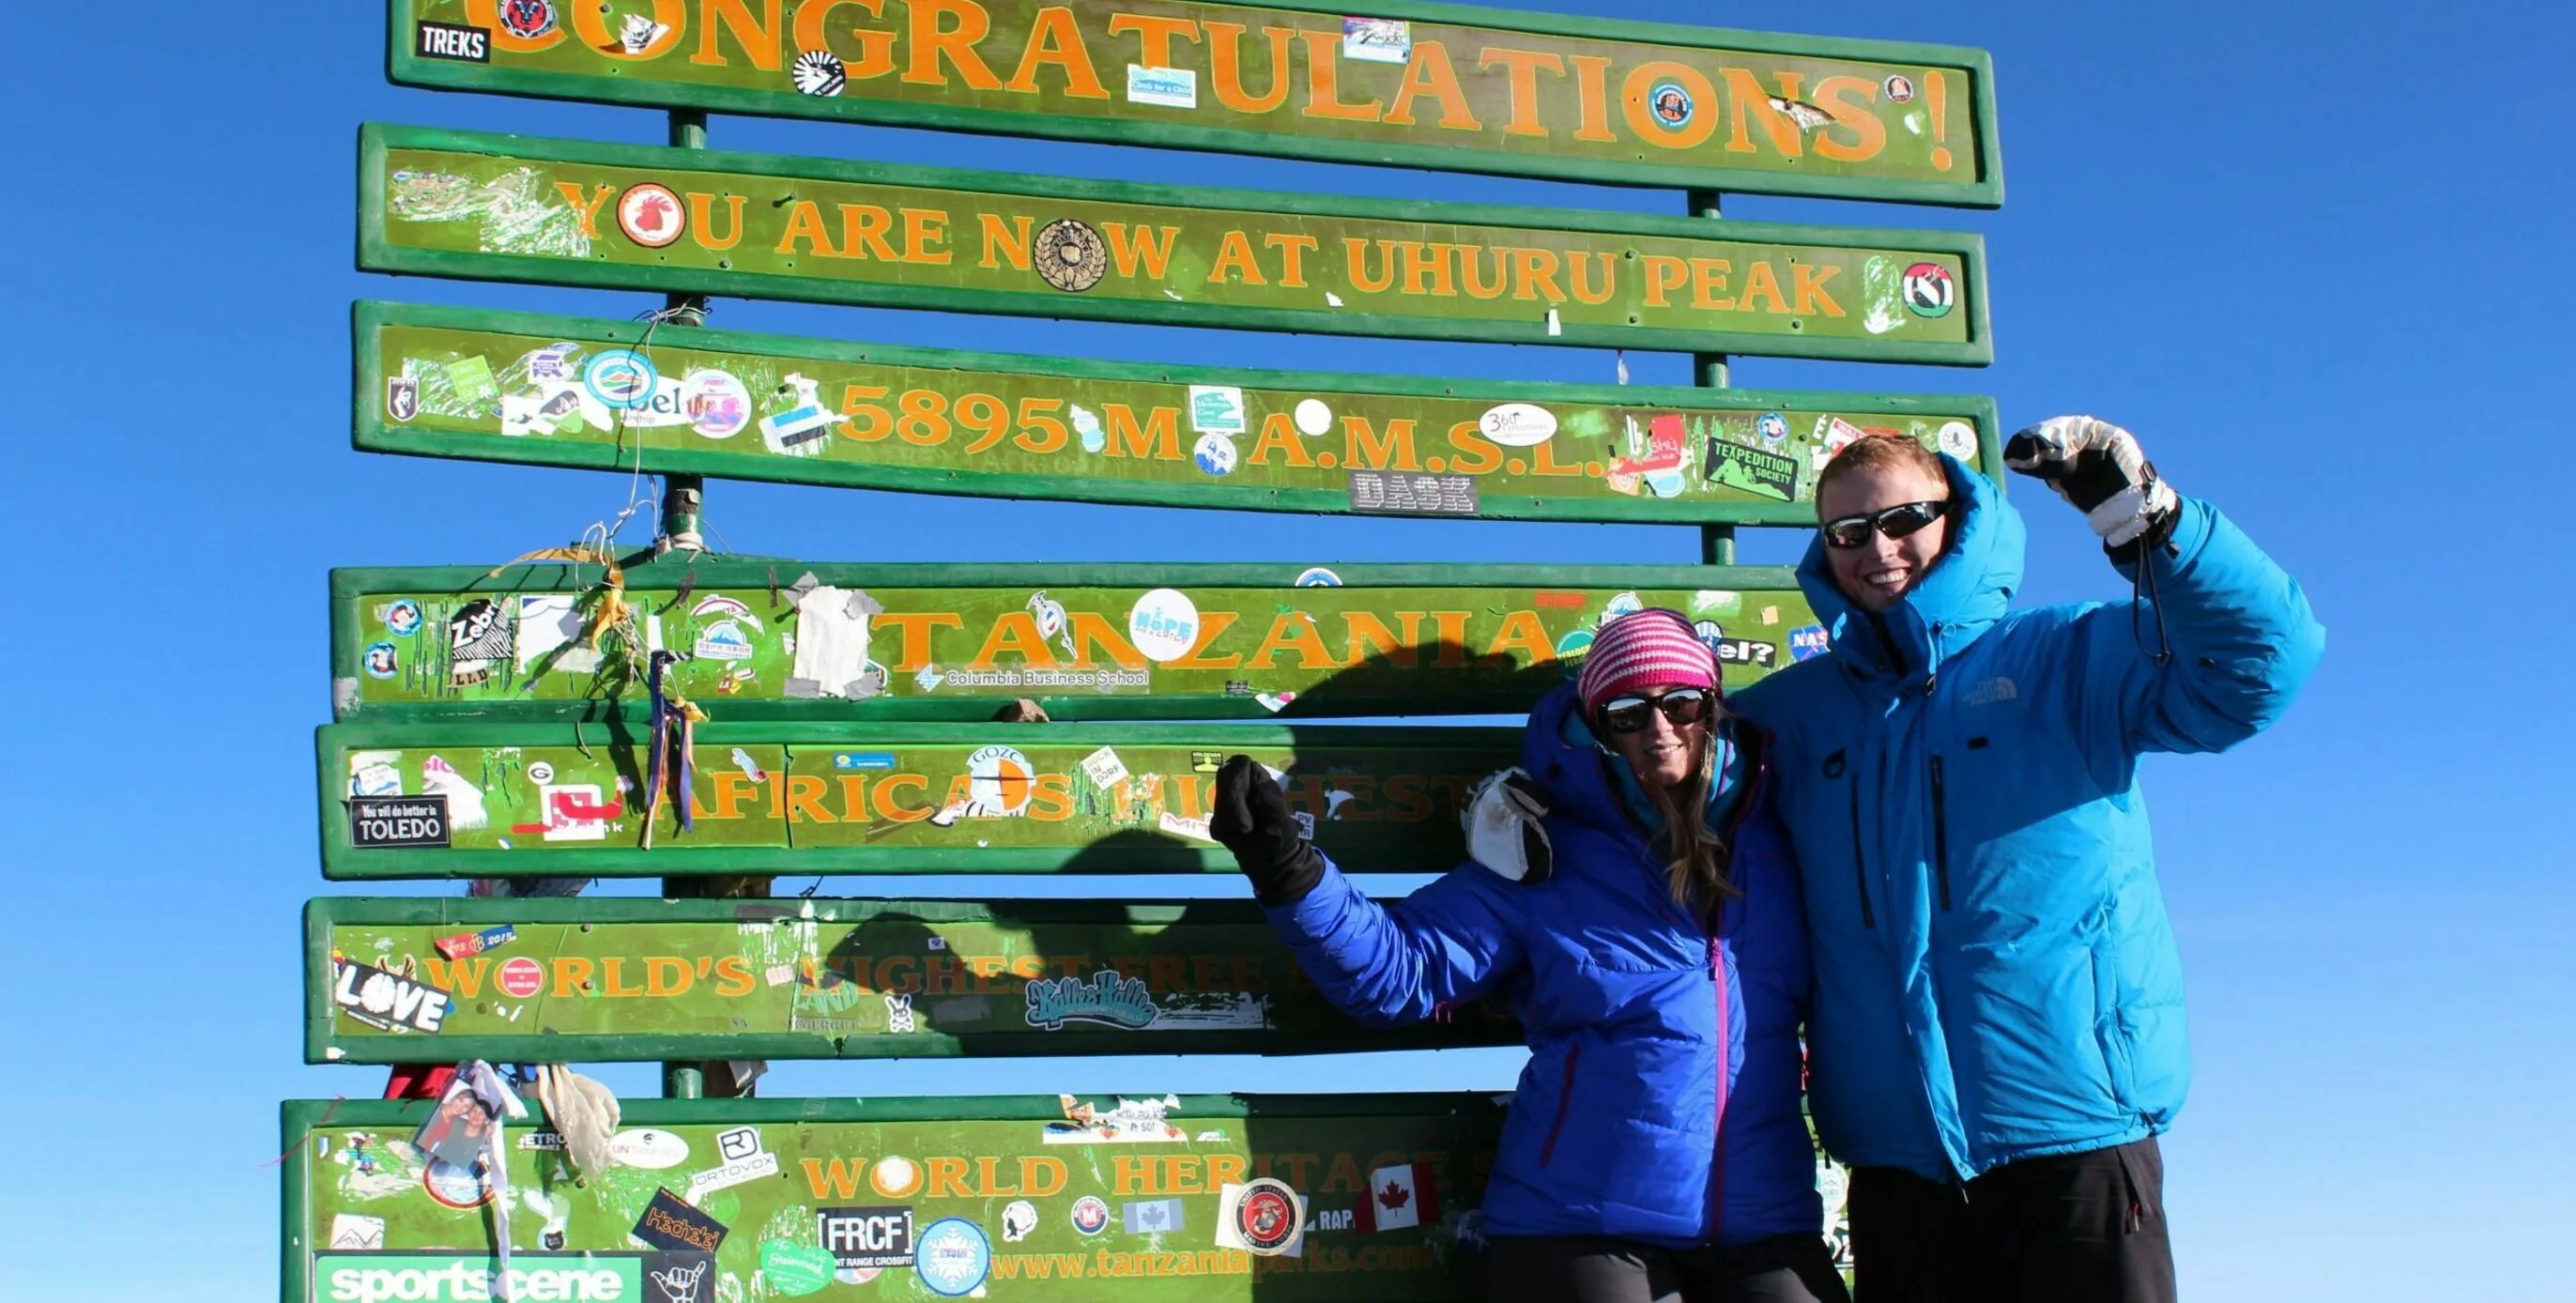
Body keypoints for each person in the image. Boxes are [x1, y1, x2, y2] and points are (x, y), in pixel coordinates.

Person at [1728, 419, 2325, 1301]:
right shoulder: (1794, 715)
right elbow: (1654, 771)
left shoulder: (2065, 658)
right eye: (1848, 533)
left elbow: (2259, 667)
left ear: (1955, 520)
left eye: (1902, 521)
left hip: (2078, 1136)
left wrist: (2147, 523)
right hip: (1897, 1167)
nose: (1877, 550)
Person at [1211, 610, 1846, 1303]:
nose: (1659, 730)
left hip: (1762, 1223)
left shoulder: (1785, 839)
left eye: (1681, 704)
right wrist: (1291, 873)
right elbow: (1401, 975)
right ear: (1598, 728)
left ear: (1712, 711)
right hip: (1579, 1222)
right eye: (1627, 713)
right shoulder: (1544, 852)